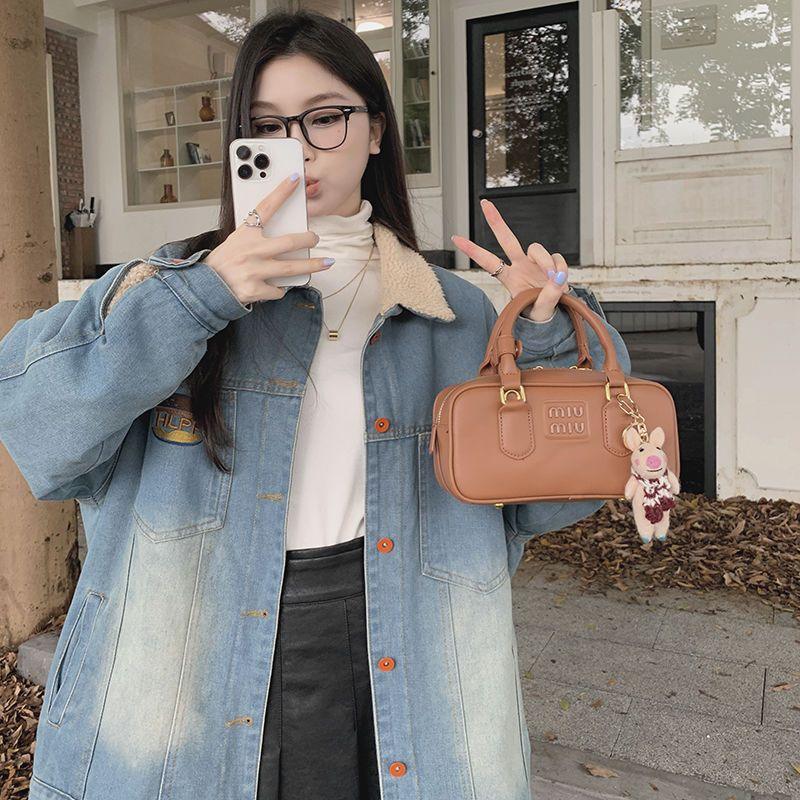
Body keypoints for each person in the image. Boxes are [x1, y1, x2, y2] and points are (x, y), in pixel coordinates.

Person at [0, 9, 631, 800]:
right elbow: (41, 436)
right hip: (201, 644)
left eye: (325, 118)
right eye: (268, 126)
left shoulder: (459, 317)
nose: (298, 147)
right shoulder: (164, 294)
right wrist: (202, 297)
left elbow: (550, 504)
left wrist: (542, 338)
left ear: (375, 132)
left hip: (399, 638)